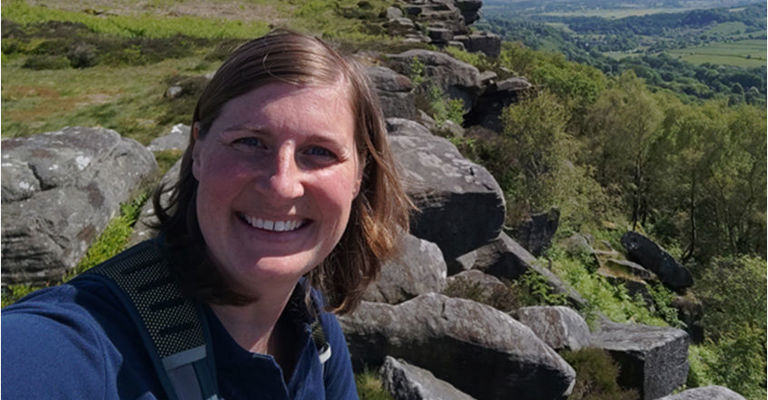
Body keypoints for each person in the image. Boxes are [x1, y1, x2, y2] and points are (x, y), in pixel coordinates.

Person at [2, 29, 412, 399]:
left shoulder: (312, 328)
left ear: (360, 175)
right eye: (251, 142)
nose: (282, 184)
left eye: (319, 152)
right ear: (198, 149)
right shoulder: (81, 344)